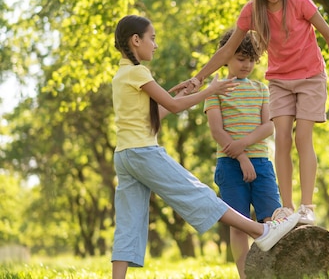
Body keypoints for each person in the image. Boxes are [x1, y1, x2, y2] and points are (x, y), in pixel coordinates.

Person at [172, 0, 329, 225]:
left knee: (302, 137)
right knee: (281, 137)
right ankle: (288, 206)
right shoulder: (251, 11)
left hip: (310, 77)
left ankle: (307, 205)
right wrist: (198, 78)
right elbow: (227, 52)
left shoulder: (299, 1)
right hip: (280, 80)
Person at [110, 15, 299, 279]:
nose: (154, 45)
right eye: (152, 39)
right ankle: (261, 231)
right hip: (143, 152)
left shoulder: (121, 75)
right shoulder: (139, 72)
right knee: (198, 193)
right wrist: (211, 90)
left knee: (128, 223)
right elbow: (175, 109)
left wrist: (183, 93)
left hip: (124, 155)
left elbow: (153, 117)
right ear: (136, 40)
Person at [203, 28, 283, 279]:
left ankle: (273, 272)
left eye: (251, 59)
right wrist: (240, 156)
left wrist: (245, 145)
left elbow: (269, 126)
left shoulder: (261, 89)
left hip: (261, 163)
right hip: (230, 165)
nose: (247, 64)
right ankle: (245, 275)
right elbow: (217, 130)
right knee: (238, 224)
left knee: (271, 221)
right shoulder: (214, 89)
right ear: (226, 57)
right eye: (240, 58)